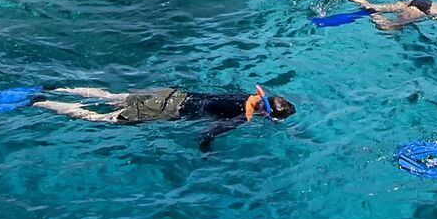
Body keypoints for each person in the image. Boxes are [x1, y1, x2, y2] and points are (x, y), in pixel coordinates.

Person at [32, 84, 294, 149]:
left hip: (170, 94)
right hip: (165, 110)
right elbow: (205, 135)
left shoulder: (244, 96)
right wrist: (207, 150)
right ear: (267, 114)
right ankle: (42, 103)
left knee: (110, 96)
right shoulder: (242, 117)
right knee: (99, 118)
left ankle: (56, 89)